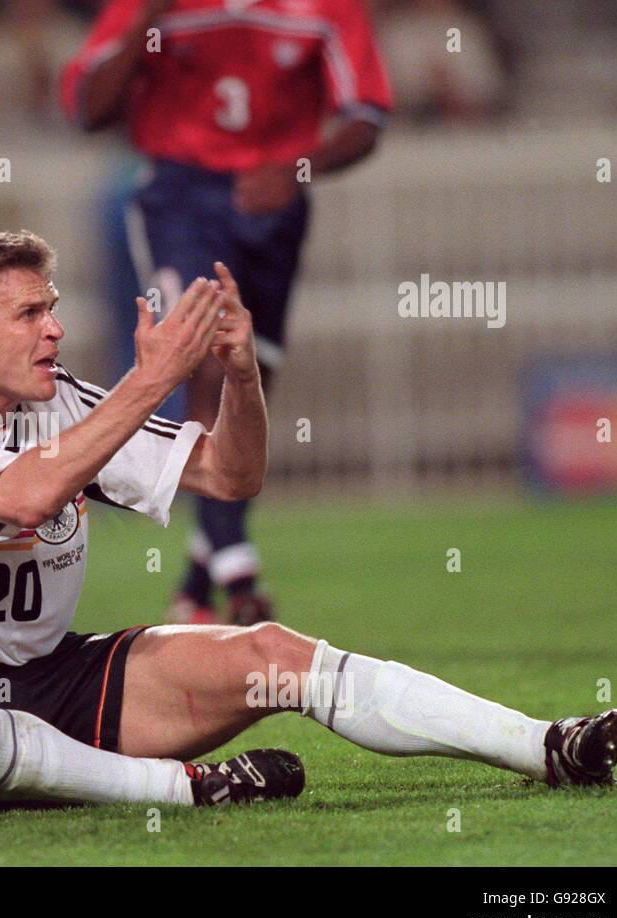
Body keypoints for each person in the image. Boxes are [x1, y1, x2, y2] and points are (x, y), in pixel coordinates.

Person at [0, 230, 617, 812]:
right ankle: (182, 790)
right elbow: (20, 498)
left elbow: (231, 473)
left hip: (64, 682)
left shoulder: (67, 406)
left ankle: (546, 746)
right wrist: (150, 383)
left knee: (273, 653)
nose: (55, 327)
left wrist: (240, 378)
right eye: (30, 314)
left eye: (52, 308)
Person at [62, 0, 392, 625]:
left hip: (275, 201)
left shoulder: (324, 7)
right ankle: (238, 567)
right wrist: (143, 24)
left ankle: (193, 587)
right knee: (210, 353)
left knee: (252, 379)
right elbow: (88, 107)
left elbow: (368, 115)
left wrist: (297, 169)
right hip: (180, 195)